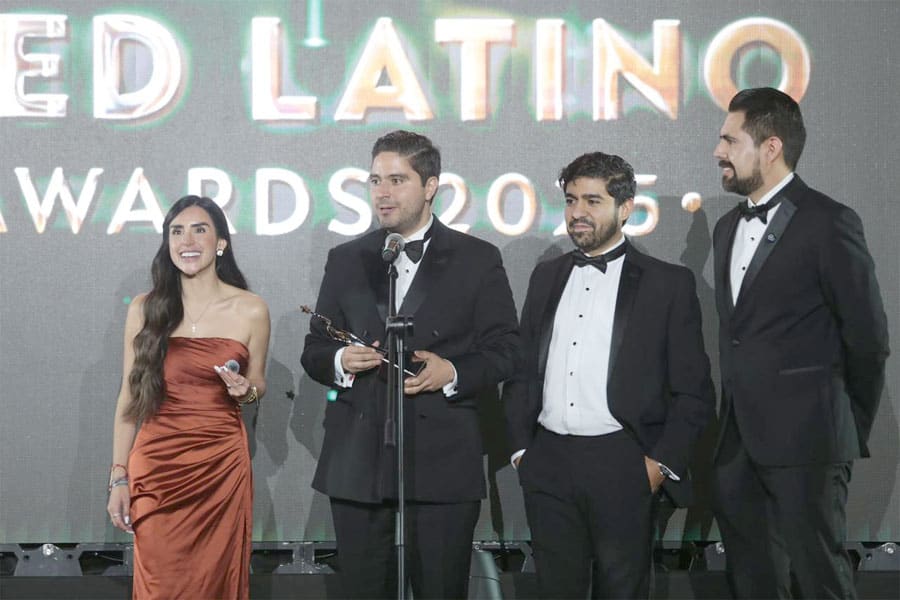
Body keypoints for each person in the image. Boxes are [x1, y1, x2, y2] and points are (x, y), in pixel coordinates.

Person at [301, 130, 520, 599]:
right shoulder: (346, 259)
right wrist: (341, 359)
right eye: (375, 180)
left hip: (443, 458)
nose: (382, 192)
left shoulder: (477, 259)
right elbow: (315, 349)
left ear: (430, 185)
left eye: (397, 180)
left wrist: (453, 371)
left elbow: (506, 350)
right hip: (360, 460)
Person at [503, 152, 715, 598]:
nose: (577, 212)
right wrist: (523, 452)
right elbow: (522, 371)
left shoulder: (667, 284)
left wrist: (658, 467)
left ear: (625, 208)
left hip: (623, 462)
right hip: (548, 463)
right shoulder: (546, 276)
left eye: (592, 201)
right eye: (571, 200)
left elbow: (693, 392)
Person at [711, 87, 890, 599]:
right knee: (753, 580)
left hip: (810, 445)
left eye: (730, 140)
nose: (718, 151)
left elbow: (868, 339)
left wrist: (839, 428)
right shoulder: (726, 228)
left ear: (770, 147)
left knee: (818, 580)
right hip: (738, 446)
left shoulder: (829, 221)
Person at [106, 195, 270, 599]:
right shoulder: (145, 309)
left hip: (220, 467)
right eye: (177, 232)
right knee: (161, 583)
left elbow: (257, 384)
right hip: (157, 468)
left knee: (215, 582)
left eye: (199, 230)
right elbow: (130, 395)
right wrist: (119, 476)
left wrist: (245, 391)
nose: (187, 241)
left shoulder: (251, 309)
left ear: (220, 242)